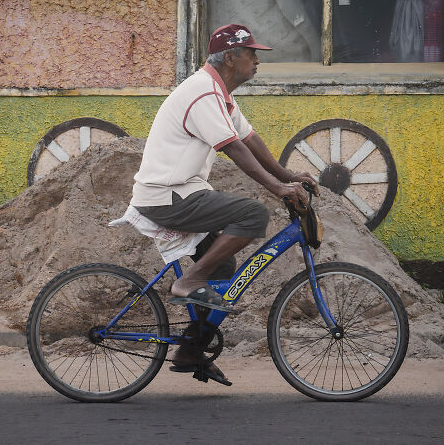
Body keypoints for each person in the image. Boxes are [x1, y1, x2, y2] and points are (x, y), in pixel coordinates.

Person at [130, 24, 317, 385]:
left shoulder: (220, 95)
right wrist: (278, 189)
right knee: (253, 213)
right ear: (230, 58)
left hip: (181, 192)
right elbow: (233, 148)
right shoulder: (202, 93)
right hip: (168, 196)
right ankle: (189, 282)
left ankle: (190, 349)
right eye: (251, 53)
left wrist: (287, 174)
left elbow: (250, 139)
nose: (256, 60)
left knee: (224, 266)